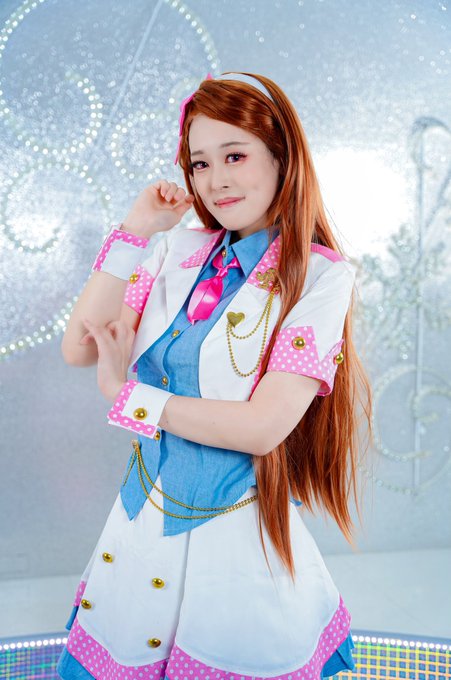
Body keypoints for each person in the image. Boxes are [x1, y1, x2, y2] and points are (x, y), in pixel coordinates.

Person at [56, 71, 373, 680]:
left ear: (281, 156)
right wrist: (136, 230)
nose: (215, 180)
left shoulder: (320, 277)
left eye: (235, 155)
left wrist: (130, 397)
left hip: (235, 541)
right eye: (199, 163)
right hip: (140, 521)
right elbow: (79, 347)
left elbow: (262, 427)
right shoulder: (177, 251)